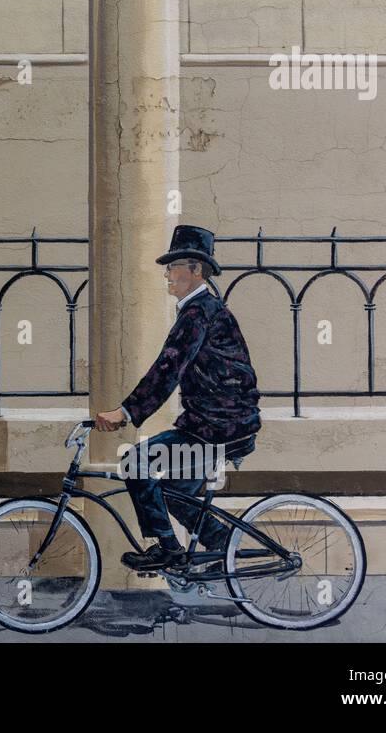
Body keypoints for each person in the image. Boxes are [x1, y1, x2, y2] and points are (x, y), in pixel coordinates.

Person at [92, 225, 261, 572]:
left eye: (173, 266)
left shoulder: (199, 313)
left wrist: (124, 413)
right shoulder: (200, 310)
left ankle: (168, 549)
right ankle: (223, 546)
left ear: (196, 270)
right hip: (217, 424)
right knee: (171, 490)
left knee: (136, 463)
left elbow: (167, 369)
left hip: (217, 427)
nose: (167, 273)